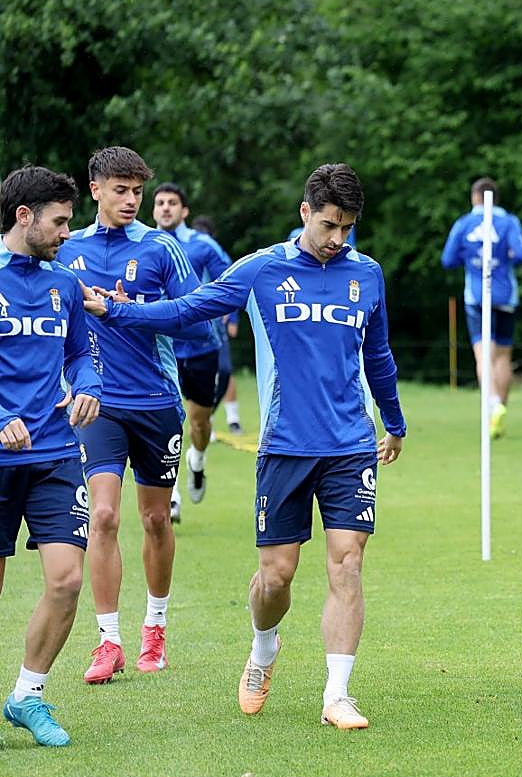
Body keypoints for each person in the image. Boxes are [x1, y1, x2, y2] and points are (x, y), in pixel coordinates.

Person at [84, 163, 406, 730]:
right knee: (276, 578)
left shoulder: (368, 275)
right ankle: (263, 647)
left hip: (351, 444)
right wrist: (119, 309)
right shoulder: (261, 269)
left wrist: (395, 422)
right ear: (305, 213)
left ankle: (337, 695)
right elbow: (190, 309)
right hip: (283, 446)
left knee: (347, 564)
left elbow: (377, 356)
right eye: (330, 225)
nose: (337, 239)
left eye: (348, 228)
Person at [56, 147, 211, 684]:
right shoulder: (65, 248)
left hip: (157, 403)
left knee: (154, 519)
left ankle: (156, 627)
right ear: (94, 188)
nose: (129, 200)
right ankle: (108, 641)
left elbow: (199, 324)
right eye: (119, 190)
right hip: (95, 404)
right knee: (102, 516)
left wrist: (131, 310)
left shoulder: (161, 248)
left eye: (136, 192)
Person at [0, 165, 101, 745]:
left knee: (66, 582)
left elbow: (81, 355)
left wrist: (88, 386)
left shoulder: (64, 285)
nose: (67, 231)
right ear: (24, 217)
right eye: (60, 221)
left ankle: (26, 696)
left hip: (57, 454)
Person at [152, 184, 229, 519]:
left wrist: (229, 313)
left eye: (172, 203)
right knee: (166, 421)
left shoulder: (202, 245)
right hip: (158, 348)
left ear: (184, 211)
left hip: (200, 346)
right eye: (160, 203)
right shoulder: (144, 244)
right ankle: (171, 496)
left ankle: (197, 460)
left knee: (198, 424)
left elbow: (230, 279)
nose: (166, 208)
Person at [441, 178, 522, 438]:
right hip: (506, 295)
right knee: (502, 356)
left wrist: (469, 258)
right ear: (496, 197)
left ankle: (491, 404)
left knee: (483, 355)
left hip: (477, 296)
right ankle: (499, 411)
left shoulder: (465, 223)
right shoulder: (509, 221)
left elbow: (447, 259)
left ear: (474, 197)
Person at [192, 215, 243, 435]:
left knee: (224, 370)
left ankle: (227, 418)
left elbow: (233, 286)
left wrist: (232, 317)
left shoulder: (217, 255)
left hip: (215, 324)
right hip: (191, 322)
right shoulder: (182, 253)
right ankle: (201, 421)